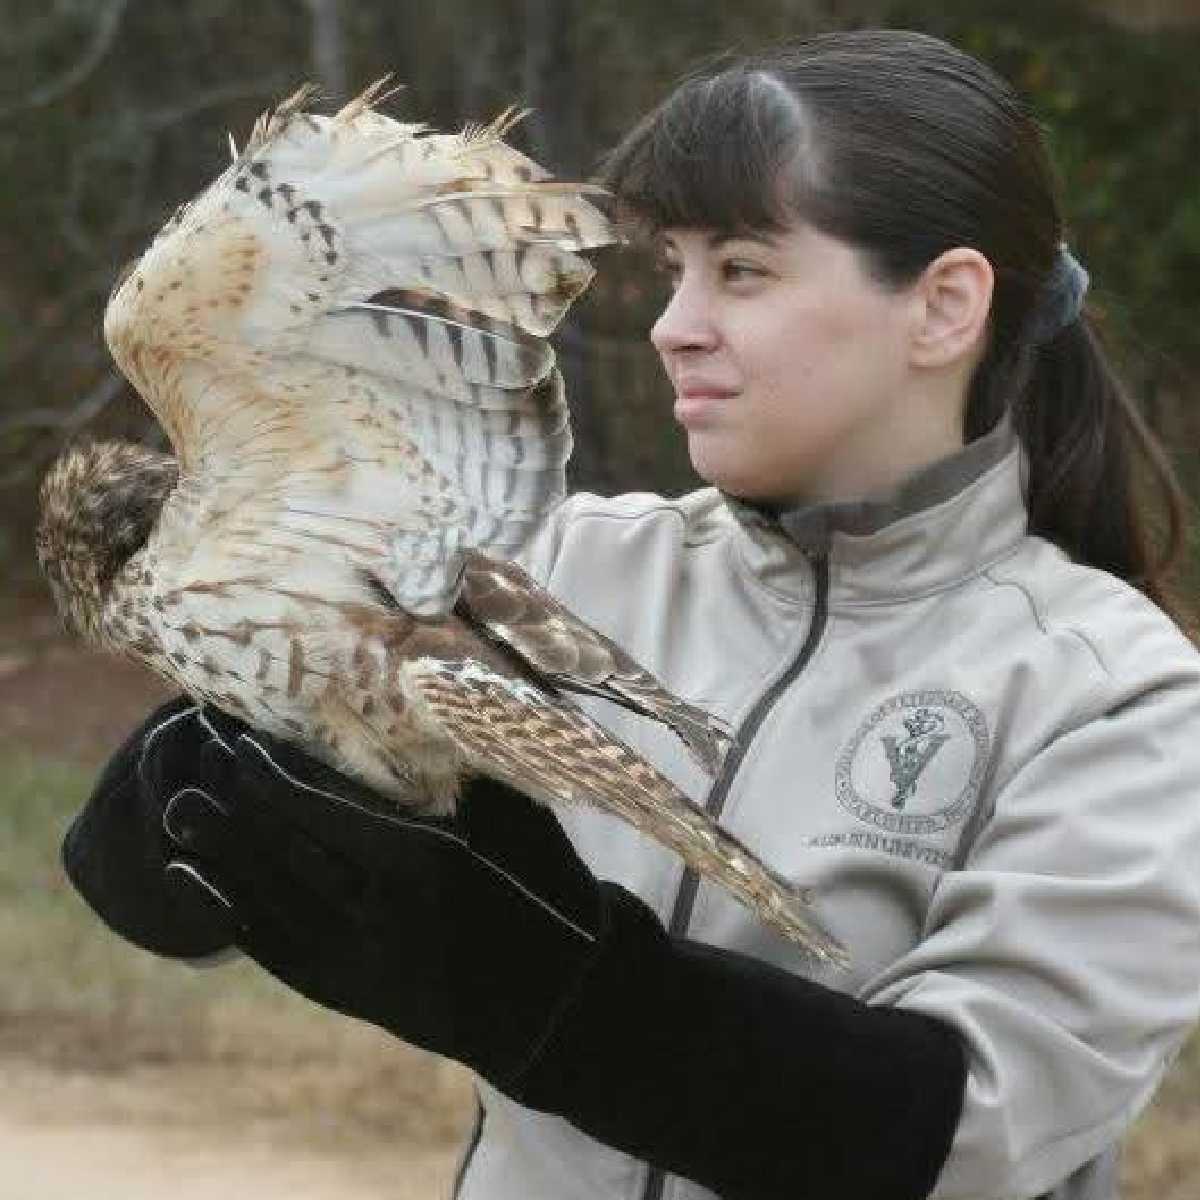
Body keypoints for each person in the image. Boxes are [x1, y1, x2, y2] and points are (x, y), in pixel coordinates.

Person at [61, 28, 1200, 1200]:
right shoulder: (573, 570)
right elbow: (290, 790)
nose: (675, 325)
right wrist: (190, 816)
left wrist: (557, 994)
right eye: (673, 271)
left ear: (945, 306)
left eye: (743, 270)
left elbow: (951, 1134)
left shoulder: (1113, 695)